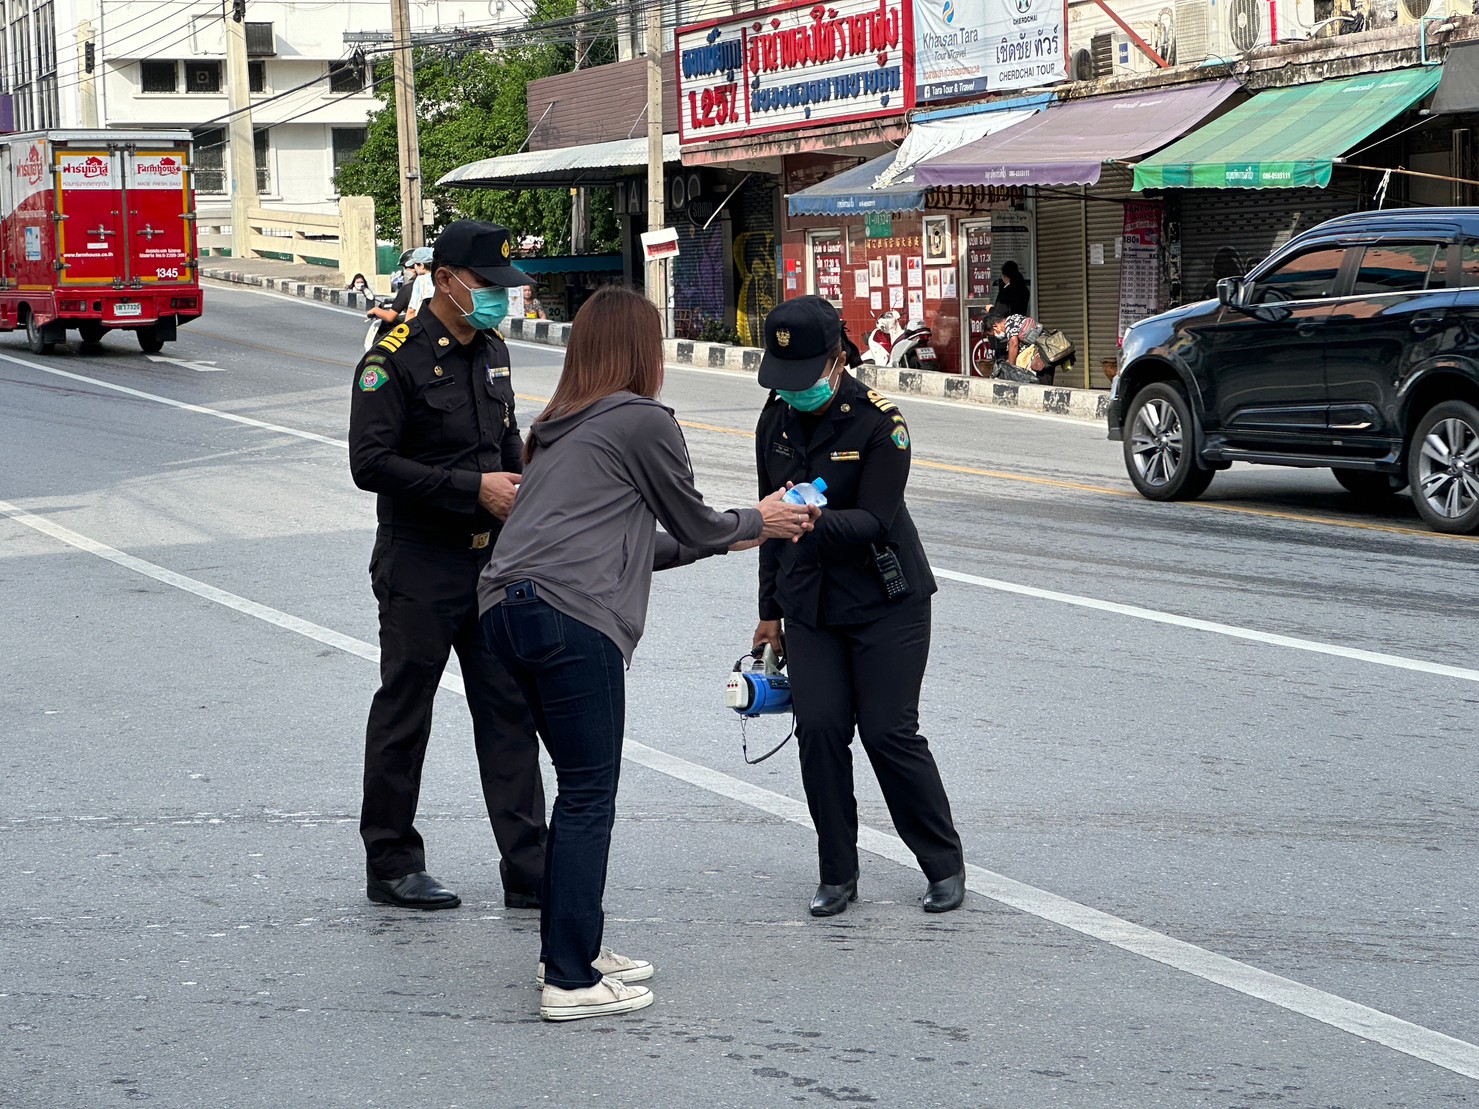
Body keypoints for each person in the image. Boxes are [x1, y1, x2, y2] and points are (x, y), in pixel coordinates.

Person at [477, 286, 815, 1022]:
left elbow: (641, 543)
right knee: (590, 791)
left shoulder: (556, 425)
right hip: (571, 619)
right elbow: (692, 518)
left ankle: (570, 949)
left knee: (576, 787)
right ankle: (568, 979)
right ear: (641, 350)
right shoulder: (642, 419)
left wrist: (746, 533)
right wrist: (764, 517)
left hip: (504, 611)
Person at [348, 220, 548, 913]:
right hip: (420, 564)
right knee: (406, 710)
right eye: (487, 287)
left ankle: (529, 868)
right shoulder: (393, 357)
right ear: (444, 281)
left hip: (489, 563)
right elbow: (368, 464)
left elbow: (505, 440)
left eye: (505, 288)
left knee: (509, 710)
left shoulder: (492, 350)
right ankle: (392, 861)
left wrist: (522, 491)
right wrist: (473, 490)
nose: (499, 299)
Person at [752, 295, 966, 919]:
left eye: (804, 379)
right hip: (810, 603)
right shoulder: (776, 419)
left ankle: (942, 862)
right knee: (818, 730)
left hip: (884, 599)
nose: (793, 392)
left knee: (887, 732)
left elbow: (875, 519)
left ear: (838, 360)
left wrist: (808, 521)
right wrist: (770, 611)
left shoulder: (880, 423)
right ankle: (837, 873)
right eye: (782, 381)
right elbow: (770, 519)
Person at [403, 247, 435, 320]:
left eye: (415, 264)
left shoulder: (421, 280)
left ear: (422, 266)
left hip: (424, 322)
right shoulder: (443, 278)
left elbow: (412, 310)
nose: (414, 267)